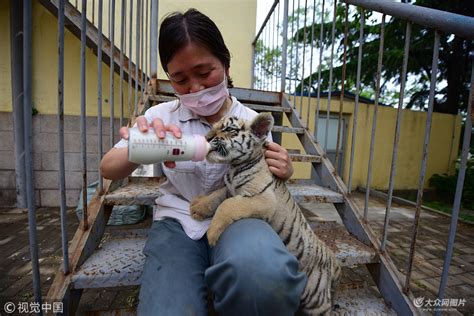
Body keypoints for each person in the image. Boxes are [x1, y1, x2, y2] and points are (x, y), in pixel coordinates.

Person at [100, 8, 306, 316]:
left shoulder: (252, 121)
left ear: (225, 64)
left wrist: (284, 170)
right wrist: (143, 147)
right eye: (180, 79)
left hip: (239, 216)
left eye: (204, 72)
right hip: (179, 220)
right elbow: (108, 167)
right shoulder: (160, 118)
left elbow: (267, 177)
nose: (195, 88)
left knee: (265, 277)